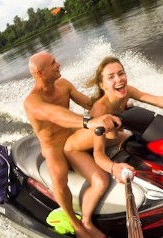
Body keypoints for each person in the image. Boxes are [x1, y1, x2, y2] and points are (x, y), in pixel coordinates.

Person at [64, 55, 163, 191]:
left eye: (121, 73)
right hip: (77, 149)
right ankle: (85, 222)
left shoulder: (126, 91)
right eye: (111, 77)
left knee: (134, 141)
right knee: (100, 184)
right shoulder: (100, 110)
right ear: (102, 85)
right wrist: (114, 169)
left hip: (109, 138)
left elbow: (158, 100)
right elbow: (98, 153)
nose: (118, 79)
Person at [23, 52, 120, 238]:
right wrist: (88, 123)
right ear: (40, 72)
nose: (58, 64)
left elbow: (89, 104)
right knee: (58, 177)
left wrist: (112, 102)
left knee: (122, 135)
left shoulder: (64, 85)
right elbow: (54, 114)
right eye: (53, 63)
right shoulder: (32, 102)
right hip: (53, 148)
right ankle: (77, 224)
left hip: (73, 136)